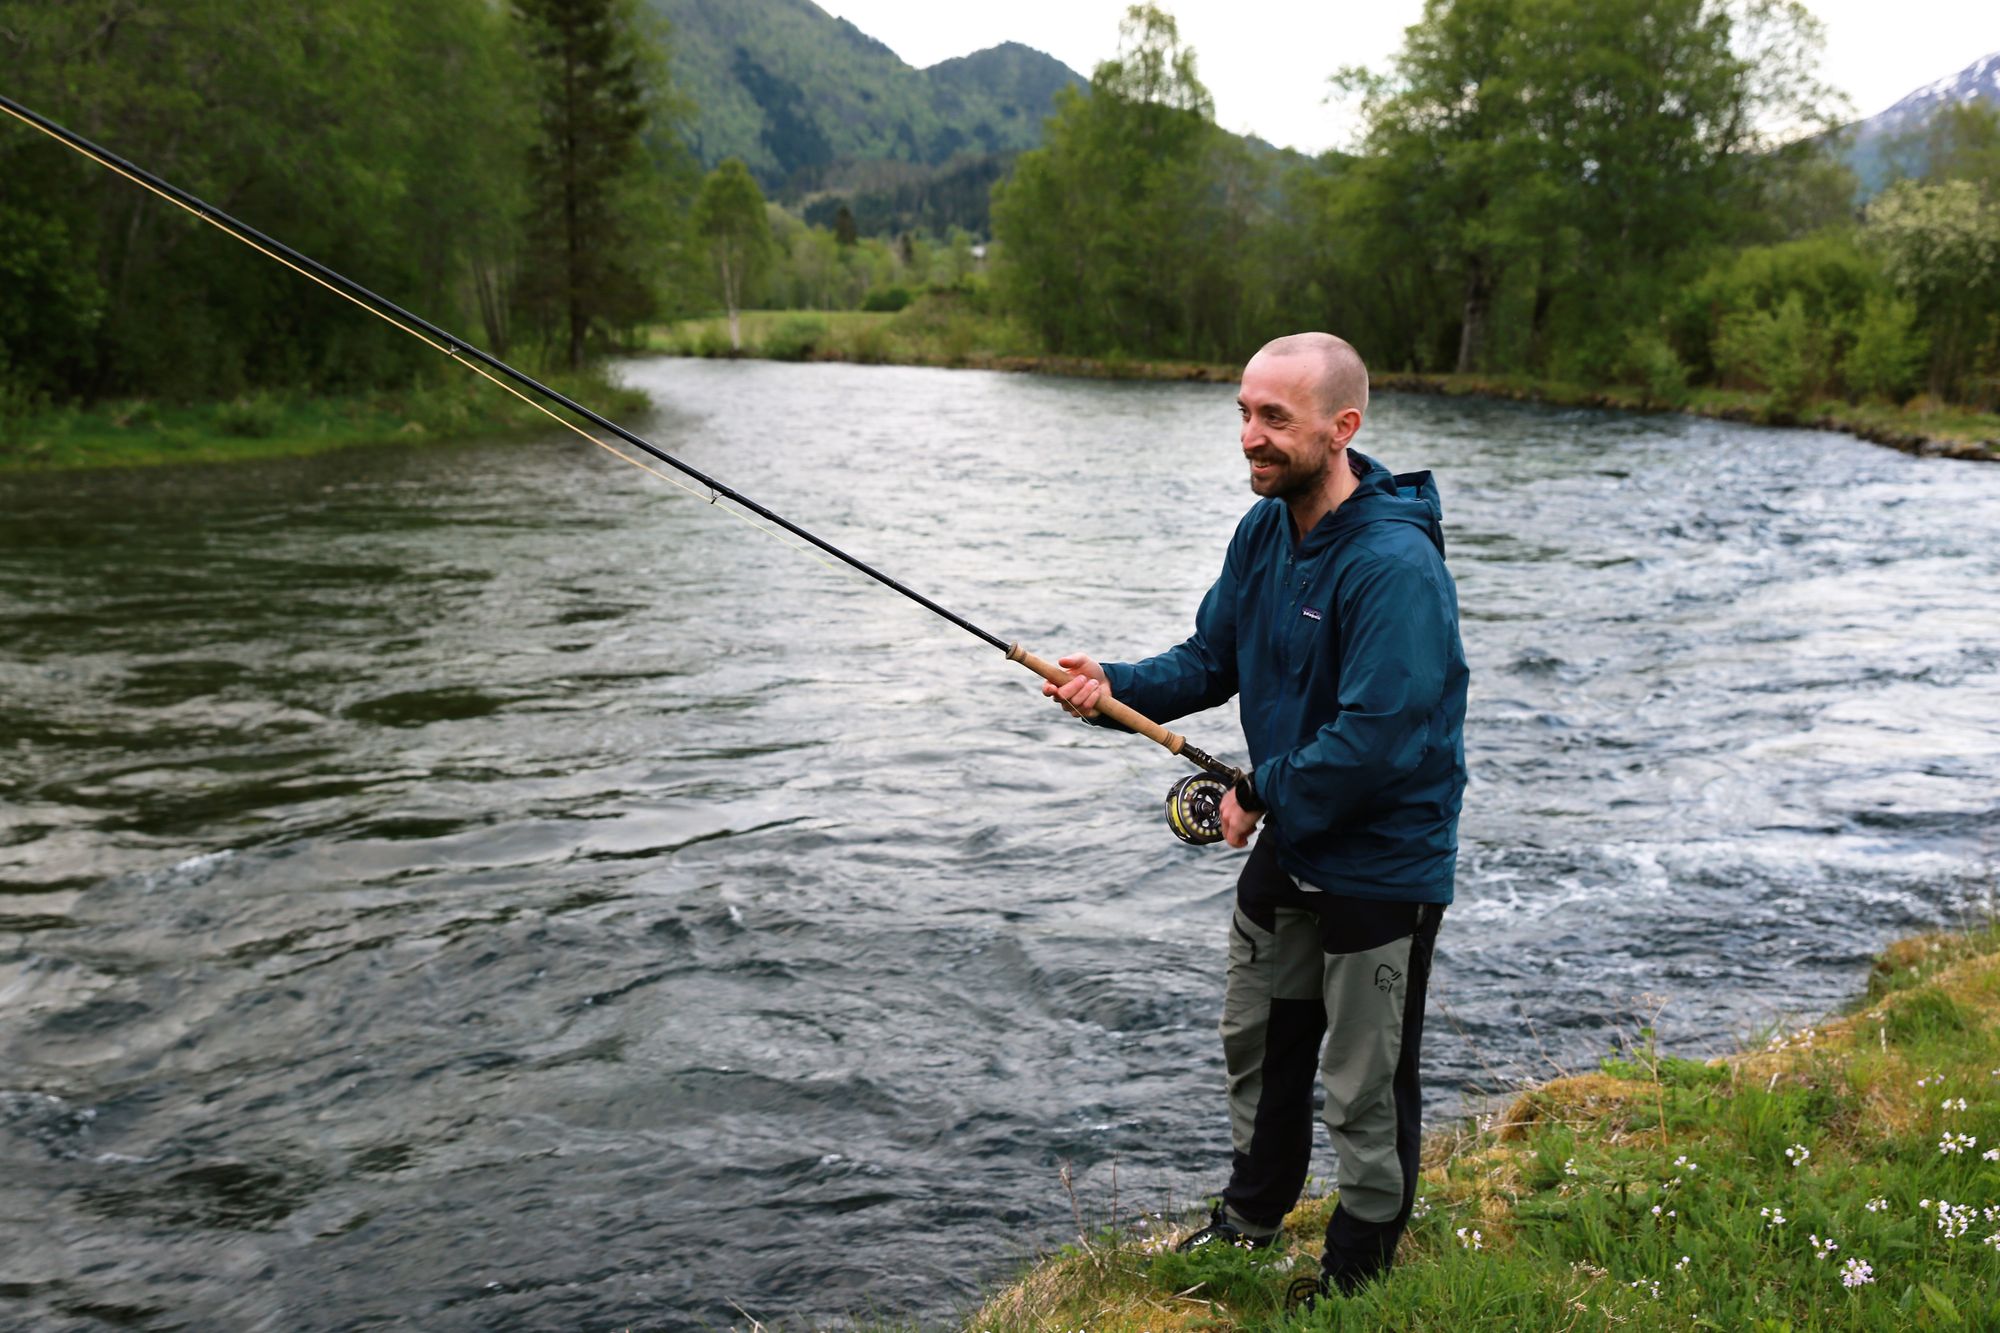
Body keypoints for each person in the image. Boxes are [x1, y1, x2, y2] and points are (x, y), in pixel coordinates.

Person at [1043, 332, 1468, 1304]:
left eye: (1274, 417)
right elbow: (1210, 659)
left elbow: (1378, 738)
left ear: (1341, 426)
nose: (1249, 436)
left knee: (1363, 1080)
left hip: (1383, 862)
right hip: (1295, 837)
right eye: (1243, 412)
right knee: (1260, 1041)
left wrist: (1256, 791)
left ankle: (1357, 1275)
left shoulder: (1394, 564)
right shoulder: (1264, 529)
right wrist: (1111, 685)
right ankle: (1248, 1221)